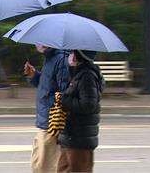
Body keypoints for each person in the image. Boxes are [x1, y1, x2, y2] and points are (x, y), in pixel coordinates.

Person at [24, 45, 70, 173]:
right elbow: (47, 86)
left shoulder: (61, 59)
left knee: (46, 167)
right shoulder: (49, 58)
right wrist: (34, 75)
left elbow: (64, 93)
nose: (38, 44)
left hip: (52, 123)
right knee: (38, 166)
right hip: (44, 121)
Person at [57, 50, 104, 173]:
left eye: (73, 52)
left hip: (79, 139)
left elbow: (88, 105)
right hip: (70, 137)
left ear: (79, 55)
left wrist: (65, 100)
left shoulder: (87, 76)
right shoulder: (78, 74)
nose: (70, 55)